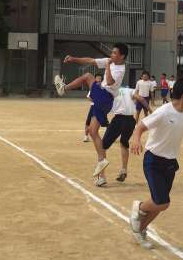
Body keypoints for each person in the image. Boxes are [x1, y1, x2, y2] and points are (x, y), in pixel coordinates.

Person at [130, 79, 183, 249]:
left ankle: (140, 230)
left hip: (170, 163)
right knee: (162, 202)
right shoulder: (164, 112)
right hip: (153, 160)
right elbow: (140, 126)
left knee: (160, 203)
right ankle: (139, 207)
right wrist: (136, 139)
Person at [54, 44, 128, 179]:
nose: (111, 55)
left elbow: (110, 82)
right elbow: (91, 60)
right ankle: (102, 167)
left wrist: (107, 66)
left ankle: (63, 88)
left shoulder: (120, 69)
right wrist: (74, 59)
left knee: (88, 76)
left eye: (114, 53)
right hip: (103, 99)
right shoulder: (110, 61)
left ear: (122, 56)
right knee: (93, 131)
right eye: (112, 52)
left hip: (105, 97)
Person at [96, 87, 138, 187]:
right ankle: (124, 170)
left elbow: (100, 103)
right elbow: (137, 97)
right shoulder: (129, 90)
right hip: (131, 120)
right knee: (124, 143)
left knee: (102, 146)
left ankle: (102, 177)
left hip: (118, 119)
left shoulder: (109, 90)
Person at [83, 73, 103, 143]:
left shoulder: (104, 87)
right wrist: (95, 100)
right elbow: (89, 97)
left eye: (100, 78)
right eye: (97, 78)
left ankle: (98, 136)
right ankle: (86, 136)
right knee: (88, 121)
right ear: (95, 79)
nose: (99, 79)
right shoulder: (93, 87)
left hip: (101, 108)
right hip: (93, 106)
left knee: (99, 122)